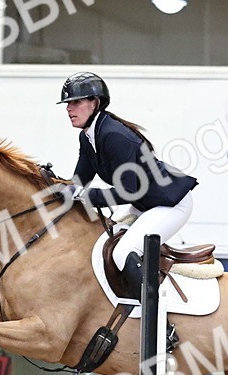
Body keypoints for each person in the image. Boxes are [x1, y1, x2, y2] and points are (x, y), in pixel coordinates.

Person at [59, 72, 198, 301]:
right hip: (144, 204)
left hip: (170, 204)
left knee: (124, 252)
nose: (68, 109)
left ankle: (160, 322)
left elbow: (129, 190)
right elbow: (79, 182)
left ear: (94, 103)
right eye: (67, 104)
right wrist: (51, 185)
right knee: (100, 243)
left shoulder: (114, 135)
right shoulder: (88, 136)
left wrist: (84, 196)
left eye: (76, 102)